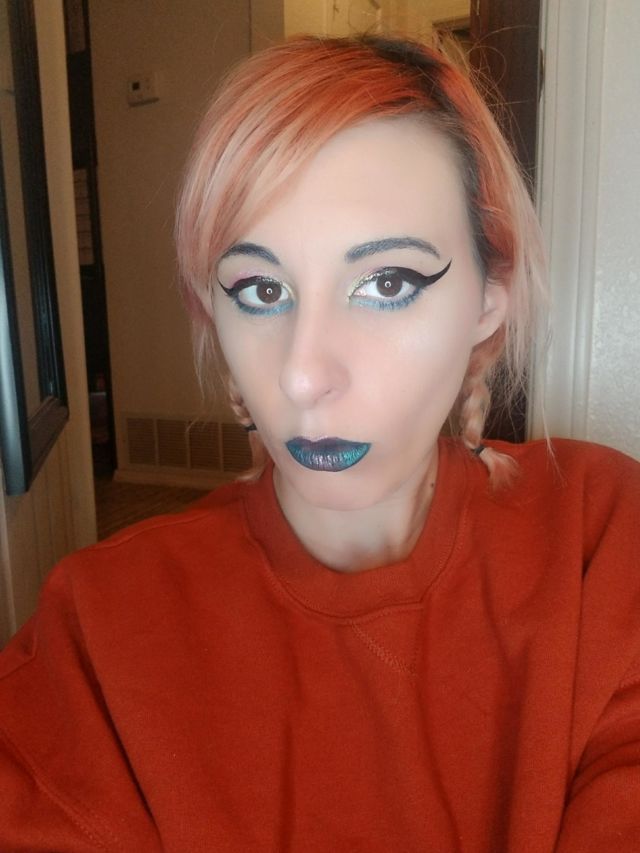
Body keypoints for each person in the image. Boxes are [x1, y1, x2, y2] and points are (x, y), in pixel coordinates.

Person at [1, 34, 639, 852]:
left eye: (387, 283)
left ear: (489, 298)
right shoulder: (99, 629)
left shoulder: (602, 544)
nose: (304, 375)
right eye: (262, 289)